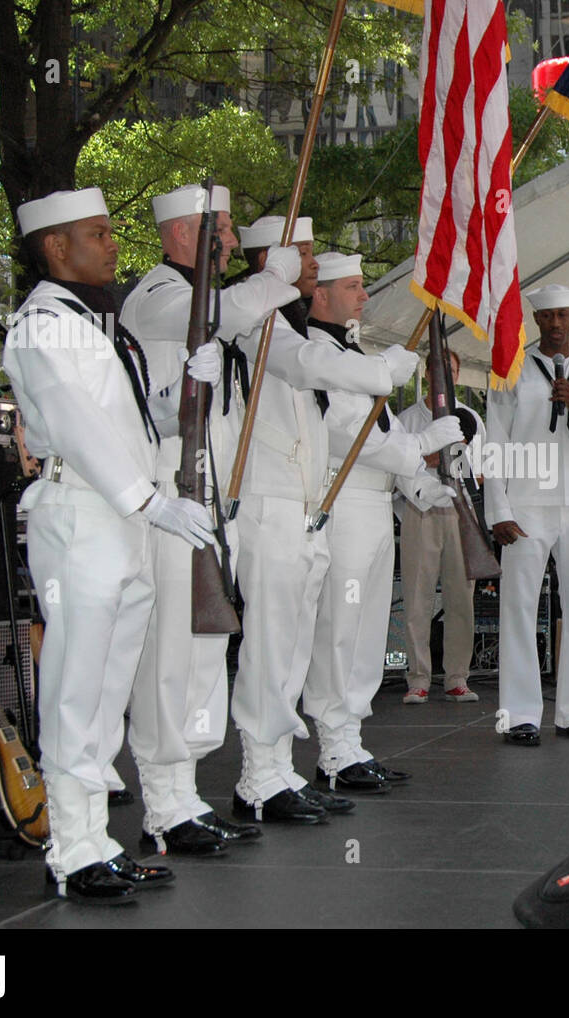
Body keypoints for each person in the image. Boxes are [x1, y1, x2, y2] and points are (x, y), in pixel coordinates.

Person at [4, 187, 220, 903]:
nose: (113, 243)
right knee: (77, 689)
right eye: (97, 233)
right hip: (83, 513)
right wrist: (153, 503)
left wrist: (179, 393)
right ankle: (70, 848)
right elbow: (77, 428)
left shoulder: (94, 324)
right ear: (56, 248)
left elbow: (127, 421)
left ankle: (96, 838)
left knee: (106, 691)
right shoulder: (44, 325)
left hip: (118, 520)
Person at [118, 184, 308, 854]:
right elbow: (223, 315)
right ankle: (162, 805)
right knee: (170, 652)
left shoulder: (201, 299)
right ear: (180, 236)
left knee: (203, 650)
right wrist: (275, 276)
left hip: (209, 504)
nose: (231, 240)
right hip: (167, 501)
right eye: (220, 228)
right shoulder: (159, 296)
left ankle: (186, 794)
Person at [226, 221, 426, 819]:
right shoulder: (260, 330)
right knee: (278, 645)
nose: (310, 266)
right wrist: (384, 372)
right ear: (272, 259)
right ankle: (260, 777)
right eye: (303, 254)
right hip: (271, 502)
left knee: (293, 648)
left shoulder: (284, 330)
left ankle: (282, 768)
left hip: (306, 505)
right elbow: (312, 371)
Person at [304, 252, 462, 791]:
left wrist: (420, 480)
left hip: (374, 504)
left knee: (370, 632)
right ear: (320, 295)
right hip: (342, 503)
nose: (364, 296)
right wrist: (419, 449)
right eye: (352, 287)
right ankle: (332, 746)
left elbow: (381, 429)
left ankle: (349, 740)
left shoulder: (355, 354)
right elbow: (348, 433)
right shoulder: (319, 357)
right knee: (341, 630)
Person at [485, 283, 569, 746]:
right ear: (537, 320)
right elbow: (495, 444)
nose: (557, 324)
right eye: (548, 317)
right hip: (526, 500)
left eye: (564, 315)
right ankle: (521, 714)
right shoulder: (510, 370)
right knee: (519, 607)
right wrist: (497, 509)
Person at [396, 349, 485, 705]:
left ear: (457, 376)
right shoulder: (407, 419)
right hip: (421, 509)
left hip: (461, 509)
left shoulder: (471, 417)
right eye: (435, 369)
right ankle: (417, 677)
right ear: (426, 374)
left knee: (461, 595)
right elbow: (396, 468)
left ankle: (456, 676)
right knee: (418, 595)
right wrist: (429, 458)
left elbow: (482, 468)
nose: (442, 376)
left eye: (449, 370)